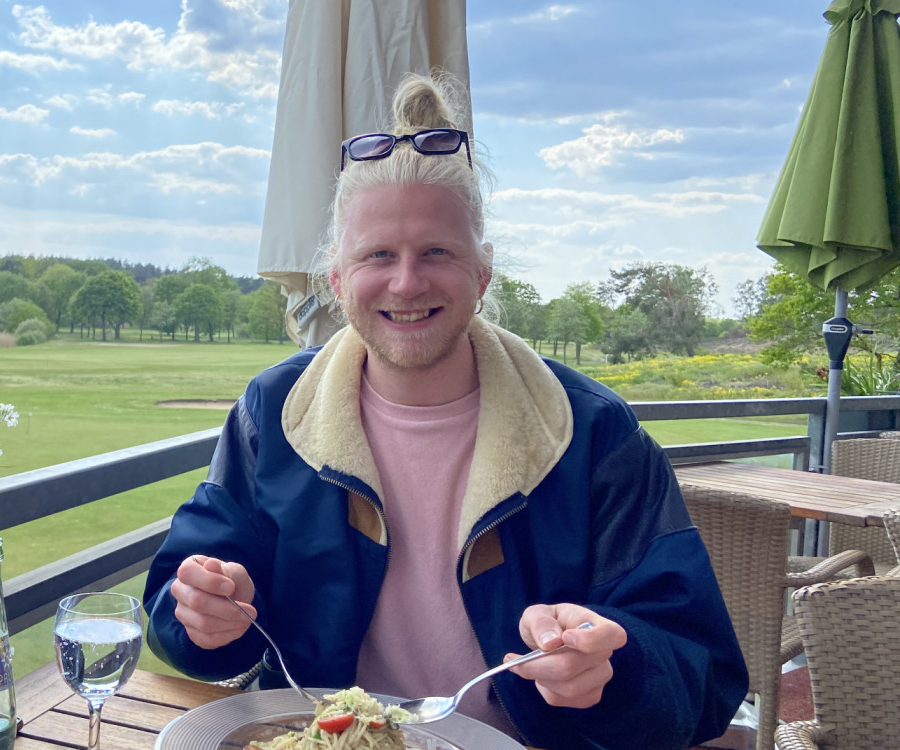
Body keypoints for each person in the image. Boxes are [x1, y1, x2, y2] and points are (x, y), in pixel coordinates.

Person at [142, 73, 747, 750]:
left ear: (481, 275)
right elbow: (183, 607)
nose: (406, 281)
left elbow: (705, 674)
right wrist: (197, 616)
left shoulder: (592, 432)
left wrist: (618, 667)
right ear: (340, 281)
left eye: (437, 252)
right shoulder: (273, 413)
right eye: (378, 255)